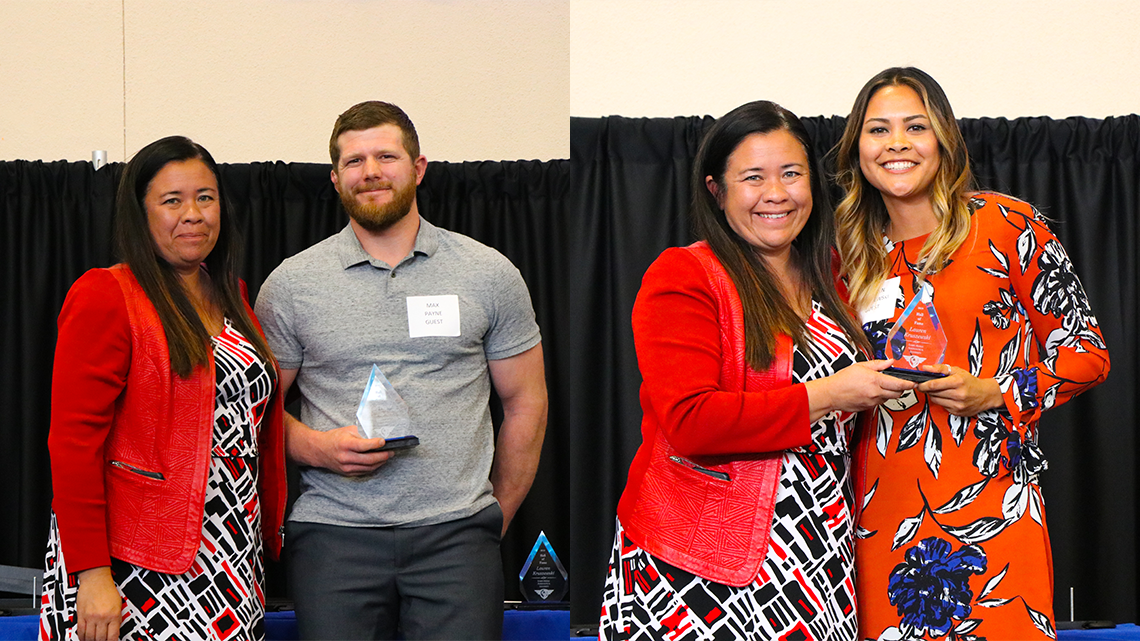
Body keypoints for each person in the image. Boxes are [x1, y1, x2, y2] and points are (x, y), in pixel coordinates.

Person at [598, 101, 915, 641]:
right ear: (717, 192)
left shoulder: (830, 278)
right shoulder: (687, 275)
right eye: (753, 178)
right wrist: (829, 394)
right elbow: (691, 421)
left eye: (792, 174)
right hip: (704, 566)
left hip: (818, 558)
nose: (777, 193)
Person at [253, 100, 548, 640]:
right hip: (333, 538)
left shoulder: (488, 272)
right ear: (336, 178)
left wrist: (490, 518)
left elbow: (526, 401)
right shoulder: (291, 285)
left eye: (386, 156)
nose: (370, 172)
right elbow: (253, 411)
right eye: (354, 161)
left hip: (457, 539)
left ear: (418, 168)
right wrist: (316, 448)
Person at [835, 67, 1110, 640]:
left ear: (944, 139)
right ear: (856, 146)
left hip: (993, 500)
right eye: (877, 130)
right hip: (874, 507)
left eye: (916, 126)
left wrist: (999, 391)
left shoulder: (1006, 224)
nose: (897, 144)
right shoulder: (840, 248)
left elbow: (1087, 351)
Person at [39, 136, 287, 641]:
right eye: (172, 200)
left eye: (205, 197)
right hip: (132, 566)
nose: (192, 214)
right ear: (141, 214)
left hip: (232, 558)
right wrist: (92, 575)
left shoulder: (235, 297)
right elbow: (72, 445)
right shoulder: (107, 295)